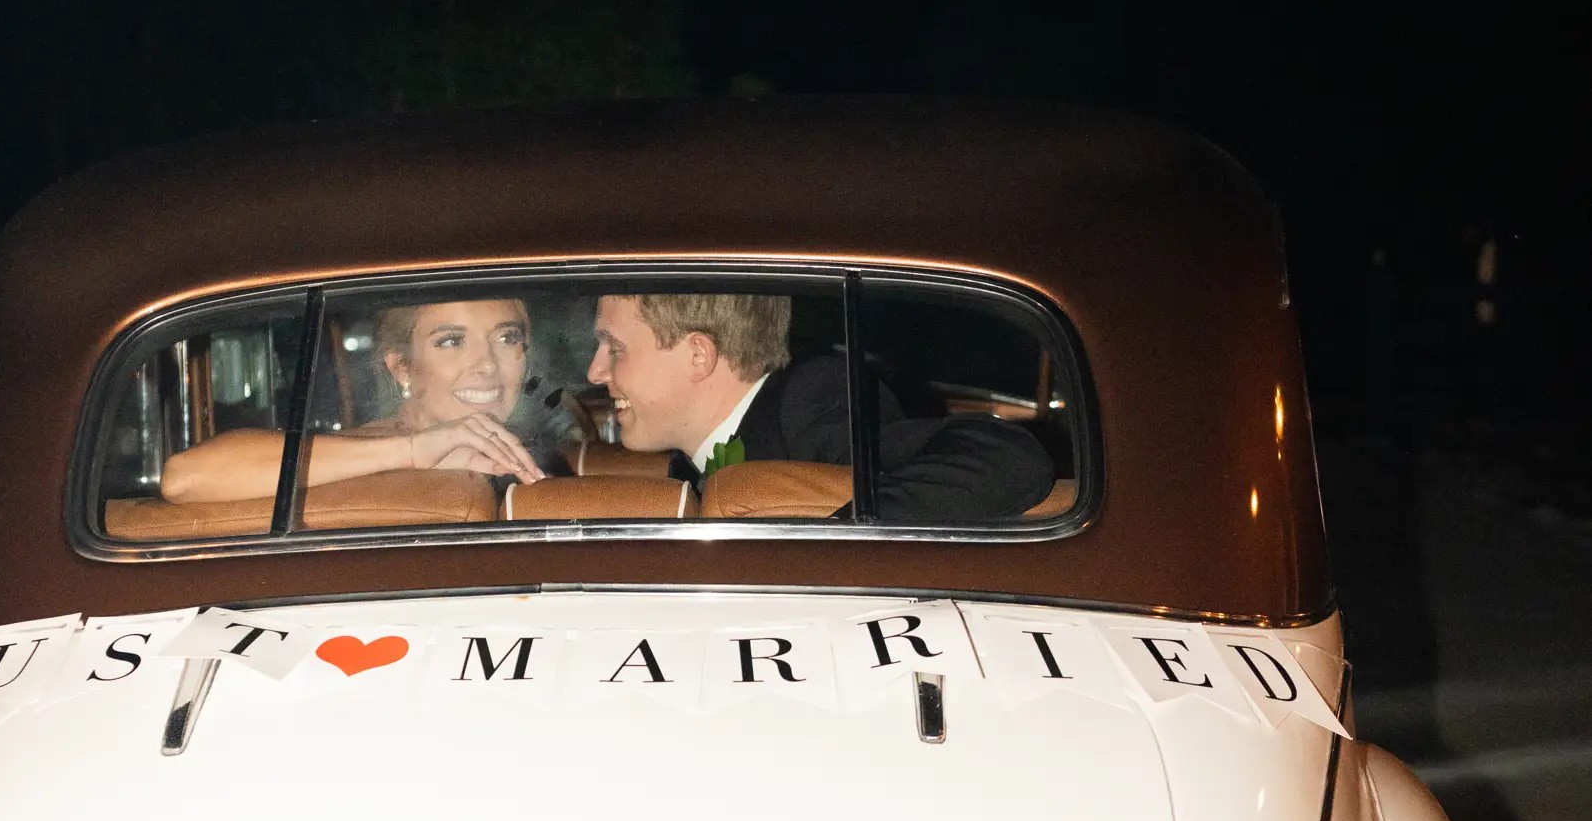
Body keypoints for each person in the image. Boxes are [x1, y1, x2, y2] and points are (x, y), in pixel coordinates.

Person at [587, 292, 1055, 523]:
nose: (595, 373)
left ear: (698, 355)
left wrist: (834, 545)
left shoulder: (809, 399)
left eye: (614, 349)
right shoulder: (686, 462)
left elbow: (1004, 456)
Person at [160, 298, 547, 503]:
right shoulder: (359, 455)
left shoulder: (556, 459)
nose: (485, 365)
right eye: (451, 342)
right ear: (403, 369)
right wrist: (412, 452)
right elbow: (184, 479)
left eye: (507, 338)